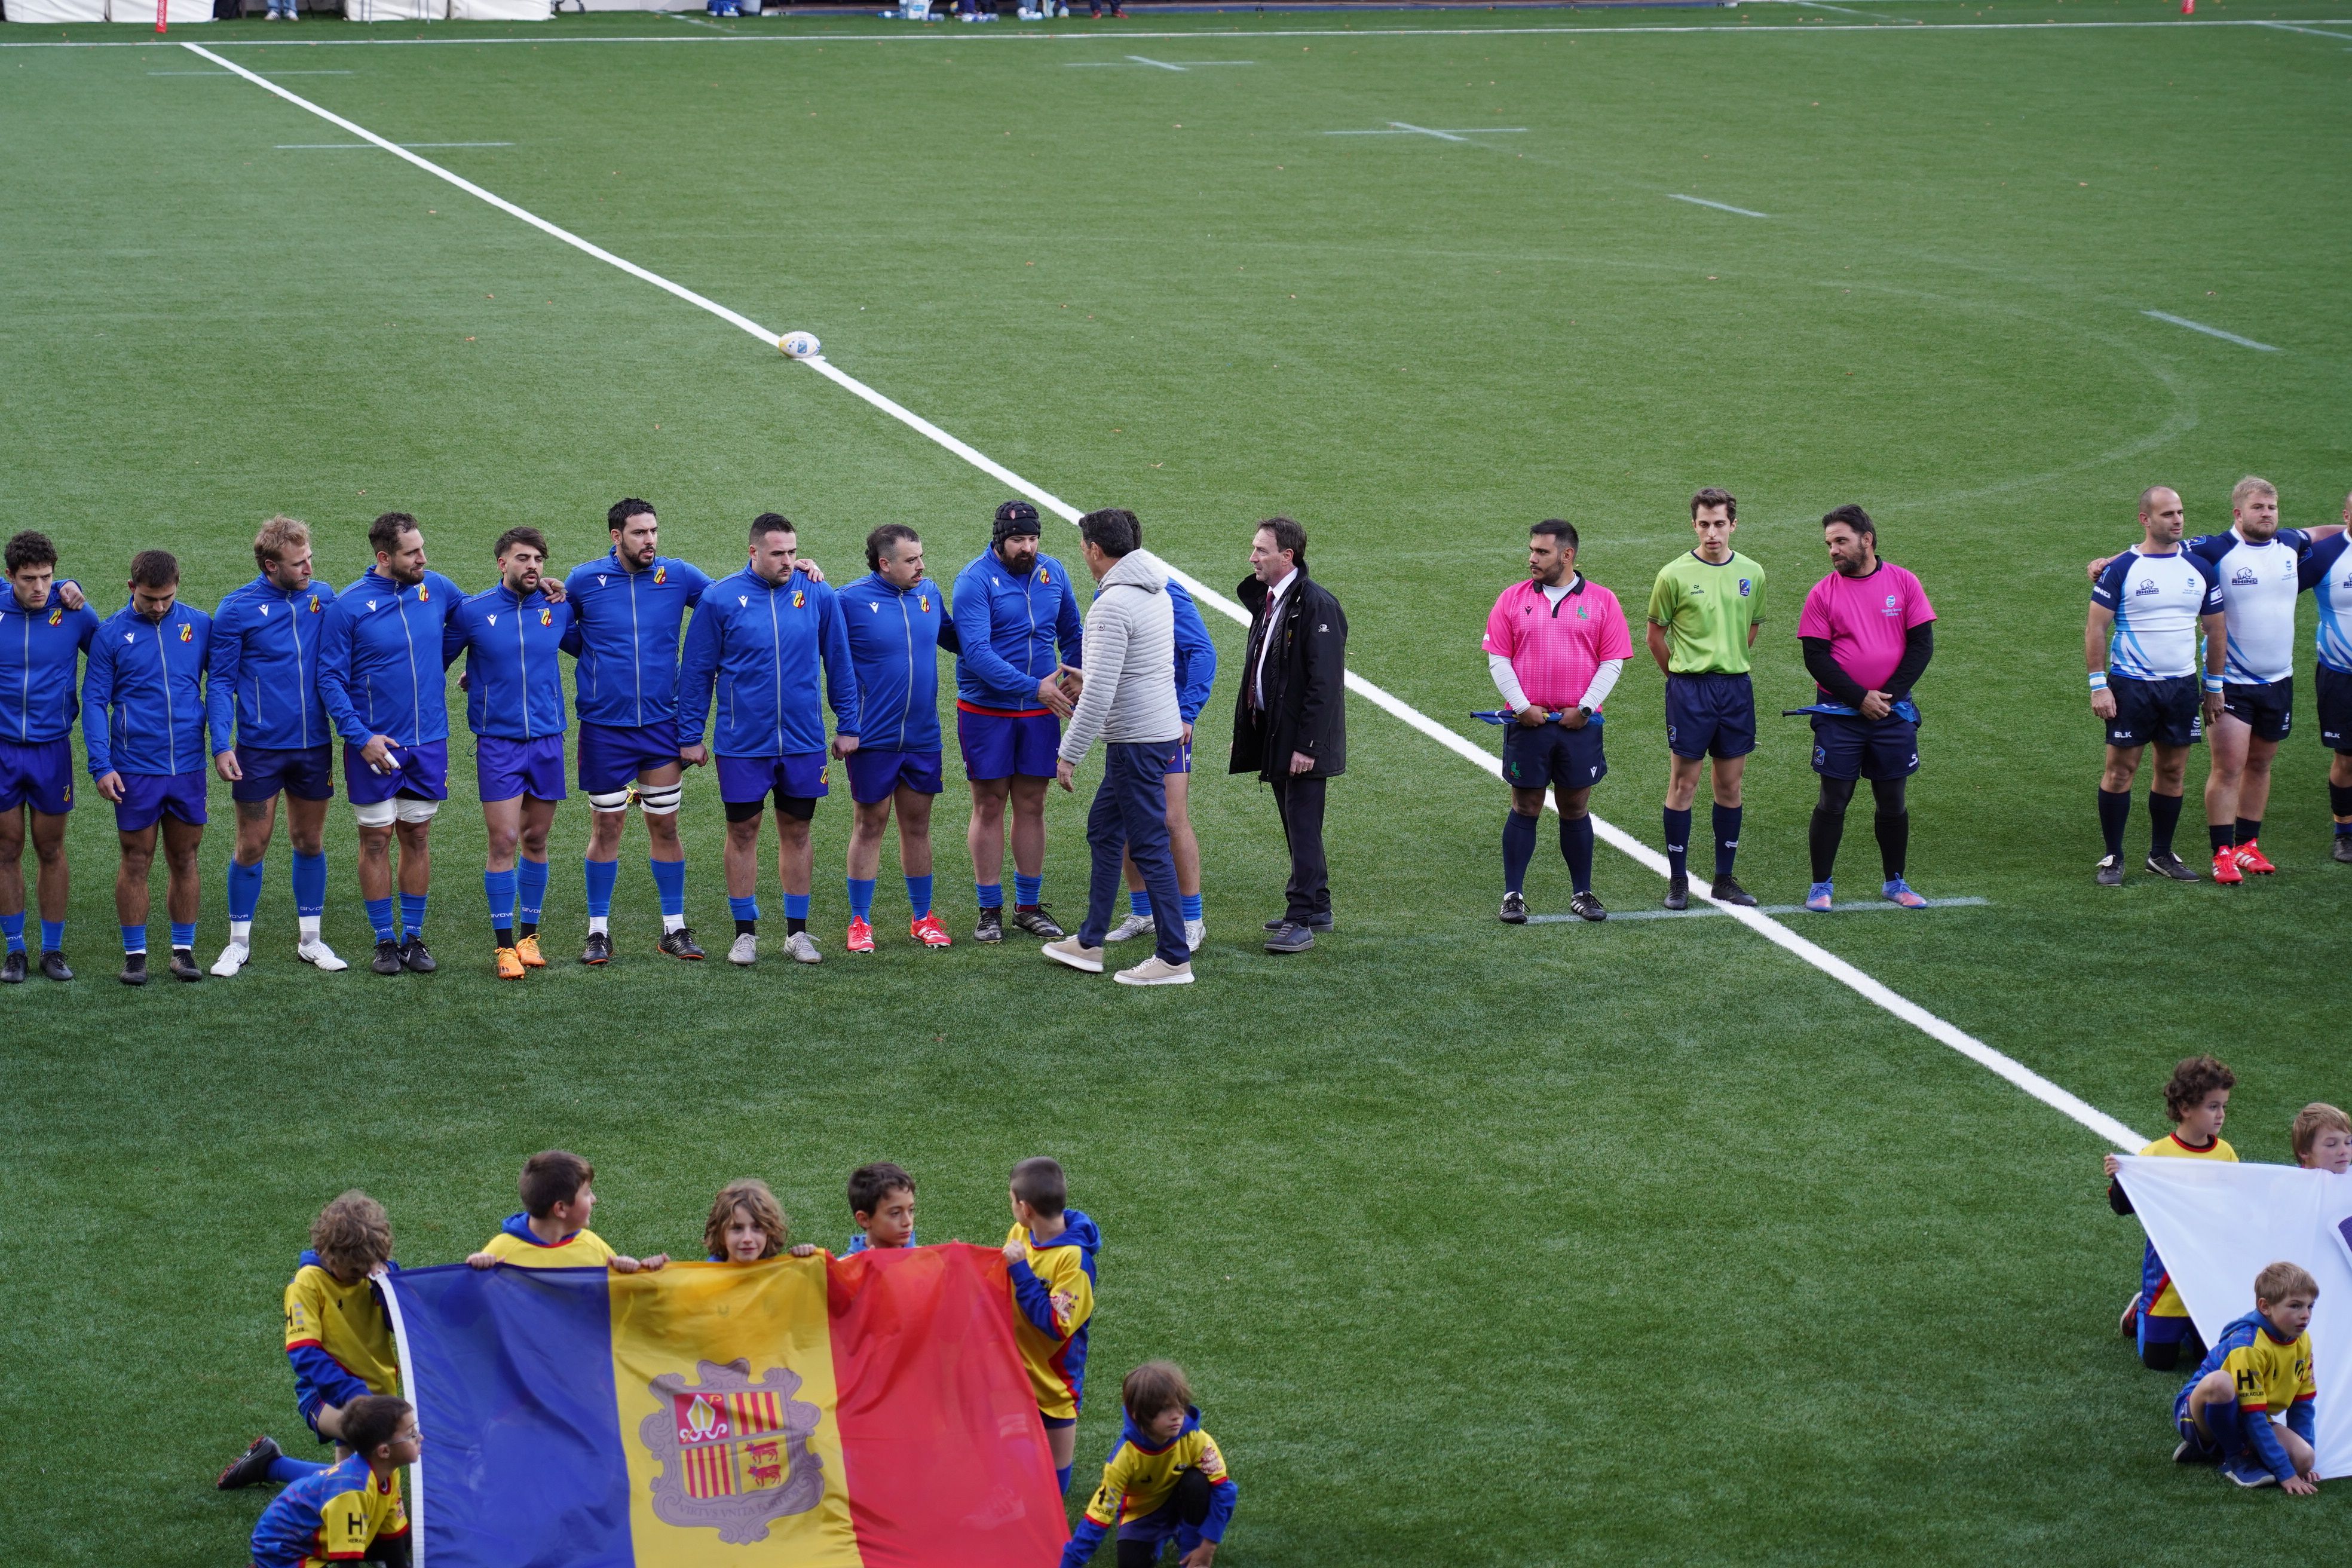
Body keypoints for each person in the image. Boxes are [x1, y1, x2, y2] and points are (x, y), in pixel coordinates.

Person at [566, 499, 817, 965]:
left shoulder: (677, 575)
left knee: (665, 824)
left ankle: (674, 929)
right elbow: (556, 629)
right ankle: (598, 931)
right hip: (604, 726)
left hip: (662, 724)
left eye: (654, 531)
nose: (650, 541)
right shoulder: (584, 580)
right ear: (616, 536)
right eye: (640, 533)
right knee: (606, 825)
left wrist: (794, 568)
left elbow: (733, 598)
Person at [2089, 477, 2341, 881]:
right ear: (2238, 513)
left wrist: (2347, 529)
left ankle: (2229, 849)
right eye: (2258, 508)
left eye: (2272, 507)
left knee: (2241, 766)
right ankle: (2156, 855)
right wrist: (2109, 561)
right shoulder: (2213, 549)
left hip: (2266, 680)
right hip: (2193, 683)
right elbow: (2154, 550)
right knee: (2205, 768)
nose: (2267, 514)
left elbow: (2325, 533)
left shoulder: (2289, 544)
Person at [679, 513, 862, 968]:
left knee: (798, 832)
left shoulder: (816, 591)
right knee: (742, 832)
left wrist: (849, 725)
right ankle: (745, 934)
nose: (788, 561)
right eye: (778, 553)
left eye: (793, 552)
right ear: (753, 552)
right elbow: (696, 672)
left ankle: (797, 934)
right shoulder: (720, 599)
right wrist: (689, 736)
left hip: (803, 742)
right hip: (742, 744)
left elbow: (839, 661)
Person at [1042, 509, 1191, 986]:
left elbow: (1102, 691)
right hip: (1155, 731)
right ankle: (1089, 942)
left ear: (1095, 550)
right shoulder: (1157, 592)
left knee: (1148, 845)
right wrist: (1096, 675)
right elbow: (1138, 669)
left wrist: (1069, 752)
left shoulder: (1111, 605)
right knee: (1105, 832)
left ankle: (1173, 958)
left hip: (1135, 741)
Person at [318, 515, 459, 976]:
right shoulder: (349, 607)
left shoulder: (436, 587)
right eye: (412, 553)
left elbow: (480, 618)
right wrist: (361, 739)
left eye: (422, 548)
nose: (424, 559)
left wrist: (541, 590)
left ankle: (413, 937)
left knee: (417, 836)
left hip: (429, 743)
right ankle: (383, 940)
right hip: (375, 748)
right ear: (384, 558)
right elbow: (330, 680)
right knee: (376, 840)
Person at [207, 516, 348, 978]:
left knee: (309, 841)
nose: (310, 568)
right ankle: (238, 943)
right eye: (299, 562)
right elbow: (221, 681)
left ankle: (311, 940)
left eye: (310, 558)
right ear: (271, 565)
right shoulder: (236, 609)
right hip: (259, 750)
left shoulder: (324, 597)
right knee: (252, 844)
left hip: (313, 747)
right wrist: (221, 744)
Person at [445, 527, 580, 979]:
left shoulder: (557, 609)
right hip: (498, 744)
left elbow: (598, 648)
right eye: (523, 558)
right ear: (502, 563)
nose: (533, 566)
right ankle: (503, 947)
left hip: (547, 741)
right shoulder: (473, 612)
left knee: (537, 840)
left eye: (539, 559)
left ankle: (529, 938)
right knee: (504, 840)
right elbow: (433, 661)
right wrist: (472, 677)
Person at [1484, 519, 1631, 924]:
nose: (1532, 558)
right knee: (1526, 804)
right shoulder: (1511, 599)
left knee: (1575, 805)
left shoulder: (1603, 601)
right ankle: (1512, 894)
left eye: (1542, 552)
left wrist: (1584, 709)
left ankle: (1582, 892)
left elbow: (1613, 661)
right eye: (1532, 550)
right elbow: (1498, 658)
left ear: (1567, 555)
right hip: (1528, 723)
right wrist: (1520, 706)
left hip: (1578, 725)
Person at [951, 500, 1084, 944]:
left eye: (1032, 539)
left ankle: (1028, 907)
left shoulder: (1054, 573)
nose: (1026, 548)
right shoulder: (974, 581)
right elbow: (976, 653)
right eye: (1017, 540)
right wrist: (1035, 687)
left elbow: (1073, 633)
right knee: (989, 805)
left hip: (1039, 712)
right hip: (987, 711)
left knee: (1033, 804)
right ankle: (989, 909)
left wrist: (1077, 675)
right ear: (999, 540)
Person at [1796, 505, 1936, 911]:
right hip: (1841, 715)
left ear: (1867, 540)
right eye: (1829, 544)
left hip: (1891, 714)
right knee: (1833, 798)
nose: (1833, 551)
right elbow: (1816, 657)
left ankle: (1896, 881)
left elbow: (1922, 645)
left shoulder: (1905, 583)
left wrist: (1886, 697)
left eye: (1841, 541)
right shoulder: (1823, 592)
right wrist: (1861, 698)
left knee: (1892, 799)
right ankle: (1821, 886)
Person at [84, 549, 213, 985]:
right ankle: (135, 955)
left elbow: (223, 683)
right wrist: (101, 765)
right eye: (150, 599)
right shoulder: (110, 635)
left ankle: (183, 950)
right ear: (131, 588)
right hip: (135, 769)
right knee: (136, 859)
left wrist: (224, 744)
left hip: (188, 767)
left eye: (168, 598)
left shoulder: (198, 625)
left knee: (185, 857)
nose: (159, 607)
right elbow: (95, 702)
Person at [215, 1190, 402, 1492]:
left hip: (378, 1394)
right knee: (378, 1453)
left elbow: (398, 1324)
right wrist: (352, 1394)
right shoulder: (307, 1285)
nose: (362, 1275)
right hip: (325, 1395)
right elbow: (305, 1354)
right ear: (330, 1255)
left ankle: (271, 1464)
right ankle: (279, 1469)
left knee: (350, 1484)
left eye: (371, 1265)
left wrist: (386, 1281)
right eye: (356, 1270)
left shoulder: (371, 1272)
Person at [2086, 486, 2226, 886]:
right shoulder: (2123, 568)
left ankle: (2161, 854)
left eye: (2180, 512)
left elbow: (2217, 631)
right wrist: (2099, 685)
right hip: (2131, 686)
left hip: (2181, 687)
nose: (2177, 520)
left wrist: (2213, 686)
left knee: (2173, 770)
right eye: (2168, 514)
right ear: (2145, 520)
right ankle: (2113, 856)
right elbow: (2096, 628)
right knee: (2121, 770)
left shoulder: (2199, 568)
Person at [838, 523, 957, 954]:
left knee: (918, 827)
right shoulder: (849, 601)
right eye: (911, 560)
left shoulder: (930, 595)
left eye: (921, 557)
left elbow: (960, 639)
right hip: (873, 738)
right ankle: (859, 922)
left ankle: (923, 918)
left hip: (924, 735)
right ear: (885, 564)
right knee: (870, 825)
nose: (921, 566)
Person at [1230, 516, 1346, 954]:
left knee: (1302, 826)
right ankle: (1316, 905)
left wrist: (1307, 746)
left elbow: (1325, 684)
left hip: (1301, 743)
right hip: (1278, 735)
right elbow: (1262, 672)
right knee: (1297, 824)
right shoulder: (1272, 600)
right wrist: (1251, 731)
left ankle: (1300, 920)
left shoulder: (1317, 606)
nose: (1252, 557)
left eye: (1261, 550)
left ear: (1287, 556)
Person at [1646, 487, 1766, 911]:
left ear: (1733, 524)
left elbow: (1750, 629)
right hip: (1690, 691)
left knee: (1729, 786)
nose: (1712, 533)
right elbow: (1655, 637)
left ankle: (1723, 879)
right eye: (1704, 524)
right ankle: (1678, 882)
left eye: (1719, 524)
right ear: (1693, 525)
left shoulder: (1753, 572)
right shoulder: (1673, 575)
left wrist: (1727, 659)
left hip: (1735, 689)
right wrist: (1679, 676)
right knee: (1684, 784)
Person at [1105, 519, 1215, 954]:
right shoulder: (1112, 591)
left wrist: (1186, 713)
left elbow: (1203, 651)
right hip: (1130, 725)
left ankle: (1192, 920)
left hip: (1166, 725)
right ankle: (1142, 911)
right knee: (1133, 814)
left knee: (1171, 818)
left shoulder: (1165, 590)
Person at [0, 531, 98, 984]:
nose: (39, 588)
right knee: (7, 849)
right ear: (10, 577)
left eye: (47, 577)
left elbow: (114, 657)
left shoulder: (74, 612)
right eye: (28, 579)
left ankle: (53, 951)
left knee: (51, 848)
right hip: (2, 751)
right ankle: (15, 950)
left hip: (51, 751)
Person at [2102, 1054, 2236, 1370]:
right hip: (2166, 1274)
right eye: (2213, 1106)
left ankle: (2190, 1328)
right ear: (2186, 1109)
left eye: (2224, 1106)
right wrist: (2120, 1178)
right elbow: (2123, 1208)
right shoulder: (2156, 1154)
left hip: (2206, 1272)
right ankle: (2142, 1312)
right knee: (2159, 1363)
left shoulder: (2225, 1152)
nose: (2221, 1115)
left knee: (2210, 1360)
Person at [1061, 1361, 1237, 1568]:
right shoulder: (1124, 1458)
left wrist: (1207, 1547)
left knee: (1197, 1482)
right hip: (1143, 1514)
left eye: (1179, 1405)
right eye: (1165, 1409)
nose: (1177, 1416)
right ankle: (1157, 1540)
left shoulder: (1197, 1439)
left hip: (1182, 1499)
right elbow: (1099, 1517)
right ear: (1138, 1415)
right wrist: (1070, 1563)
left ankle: (1189, 1546)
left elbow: (1225, 1491)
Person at [2171, 1261, 2319, 1492]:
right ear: (2265, 1306)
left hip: (2246, 1416)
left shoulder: (2304, 1341)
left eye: (2310, 1306)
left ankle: (2208, 1449)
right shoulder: (2248, 1345)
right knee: (2221, 1382)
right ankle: (2233, 1456)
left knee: (2304, 1459)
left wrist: (2299, 1465)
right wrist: (2285, 1473)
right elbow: (2253, 1415)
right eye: (2295, 1306)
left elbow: (2303, 1405)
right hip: (2198, 1414)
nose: (2305, 1316)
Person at [1002, 1156, 1102, 1493]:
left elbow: (1056, 1325)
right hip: (1013, 1374)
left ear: (1026, 1207)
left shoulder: (1074, 1261)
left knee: (1053, 1487)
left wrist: (1020, 1272)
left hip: (1055, 1386)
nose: (1012, 1207)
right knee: (1012, 1473)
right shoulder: (1021, 1233)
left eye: (1012, 1200)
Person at [245, 1395, 417, 1568]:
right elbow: (347, 1562)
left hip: (313, 1542)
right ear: (384, 1451)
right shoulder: (352, 1492)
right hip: (285, 1549)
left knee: (403, 1543)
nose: (420, 1438)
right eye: (412, 1435)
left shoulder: (389, 1472)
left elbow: (392, 1536)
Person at [466, 1149, 668, 1272]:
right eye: (587, 1193)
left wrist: (633, 1271)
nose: (595, 1200)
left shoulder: (593, 1247)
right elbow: (463, 1310)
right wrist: (475, 1272)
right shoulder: (502, 1251)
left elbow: (619, 1304)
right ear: (561, 1209)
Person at [2296, 486, 2352, 860]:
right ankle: (2344, 832)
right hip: (2340, 674)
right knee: (2347, 757)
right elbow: (2275, 591)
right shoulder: (2327, 555)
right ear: (2347, 517)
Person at [705, 1178, 821, 1262]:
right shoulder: (707, 1278)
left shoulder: (779, 1275)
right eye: (737, 1228)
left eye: (757, 1227)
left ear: (769, 1232)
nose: (747, 1239)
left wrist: (808, 1263)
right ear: (720, 1235)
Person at [844, 1161, 917, 1253]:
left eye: (911, 1210)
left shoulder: (925, 1260)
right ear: (864, 1219)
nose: (907, 1222)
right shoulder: (848, 1266)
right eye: (895, 1213)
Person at [2291, 1102, 2352, 1174]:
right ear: (2305, 1152)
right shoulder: (2293, 1183)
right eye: (2331, 1144)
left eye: (2348, 1142)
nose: (2344, 1151)